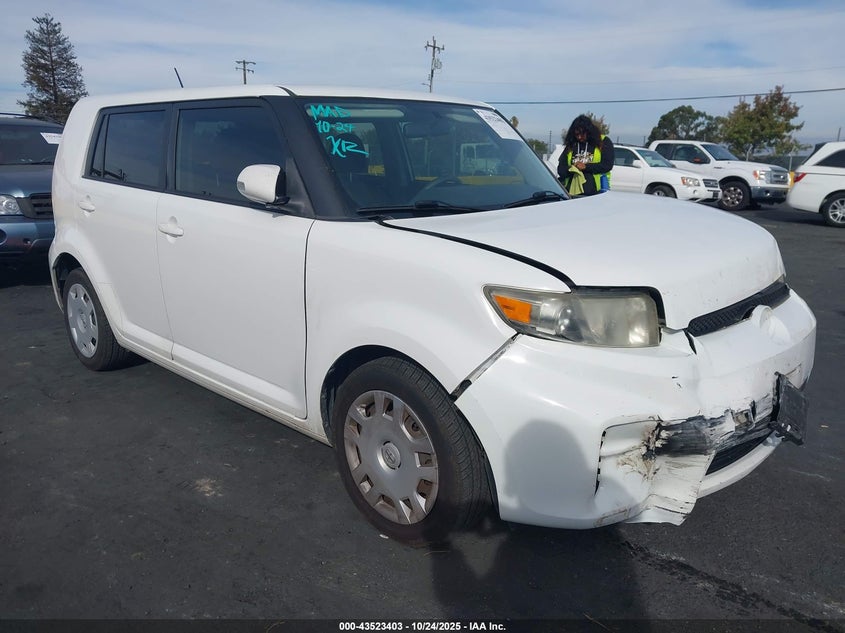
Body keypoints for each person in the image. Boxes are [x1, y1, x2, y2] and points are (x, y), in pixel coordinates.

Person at [557, 114, 614, 196]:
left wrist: (586, 167)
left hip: (596, 193)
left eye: (582, 134)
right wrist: (572, 168)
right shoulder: (572, 145)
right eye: (577, 135)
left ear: (589, 131)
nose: (579, 137)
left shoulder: (603, 141)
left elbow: (607, 165)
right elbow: (561, 170)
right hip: (571, 194)